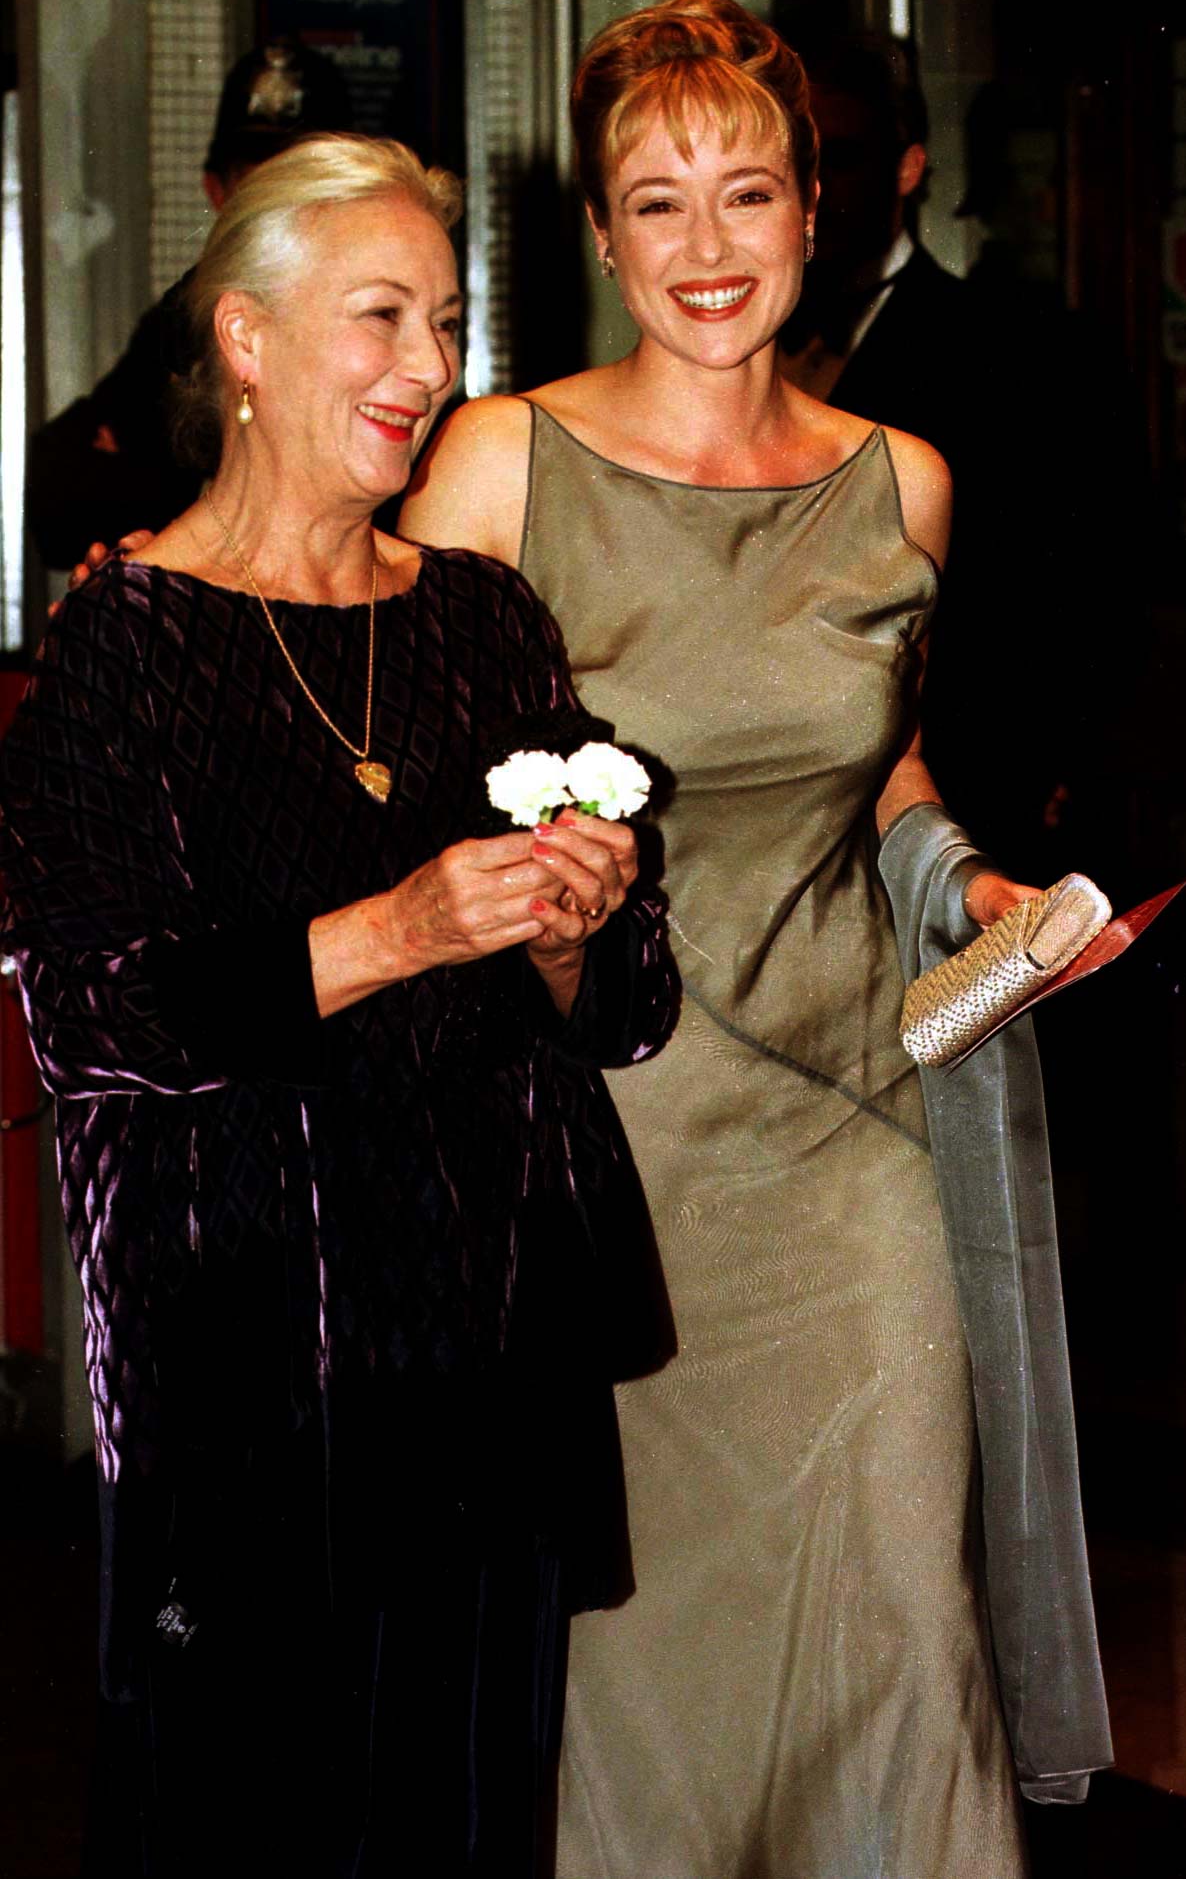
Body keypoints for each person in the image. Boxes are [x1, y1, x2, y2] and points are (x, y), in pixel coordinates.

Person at [403, 0, 1112, 1878]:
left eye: (742, 196)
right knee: (640, 1666)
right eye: (656, 205)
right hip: (604, 1149)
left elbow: (870, 768)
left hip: (851, 1139)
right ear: (600, 235)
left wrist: (967, 887)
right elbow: (380, 756)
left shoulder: (902, 484)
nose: (704, 250)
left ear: (818, 211)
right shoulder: (499, 466)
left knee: (894, 1619)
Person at [0, 133, 679, 1878]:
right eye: (380, 317)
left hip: (488, 1359)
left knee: (468, 1819)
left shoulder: (483, 623)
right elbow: (95, 1017)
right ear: (244, 340)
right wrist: (400, 923)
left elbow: (622, 1010)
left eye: (445, 323)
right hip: (248, 1378)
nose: (429, 369)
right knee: (248, 1823)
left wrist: (559, 929)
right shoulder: (124, 647)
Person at [777, 32, 1158, 881]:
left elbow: (1097, 599)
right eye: (791, 163)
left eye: (839, 158)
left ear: (908, 169)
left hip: (961, 817)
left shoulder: (1032, 354)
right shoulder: (730, 351)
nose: (812, 193)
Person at [26, 37, 355, 568]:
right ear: (217, 192)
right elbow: (55, 498)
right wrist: (208, 496)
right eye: (258, 182)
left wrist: (180, 485)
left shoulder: (377, 312)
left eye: (300, 182)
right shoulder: (190, 313)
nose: (278, 210)